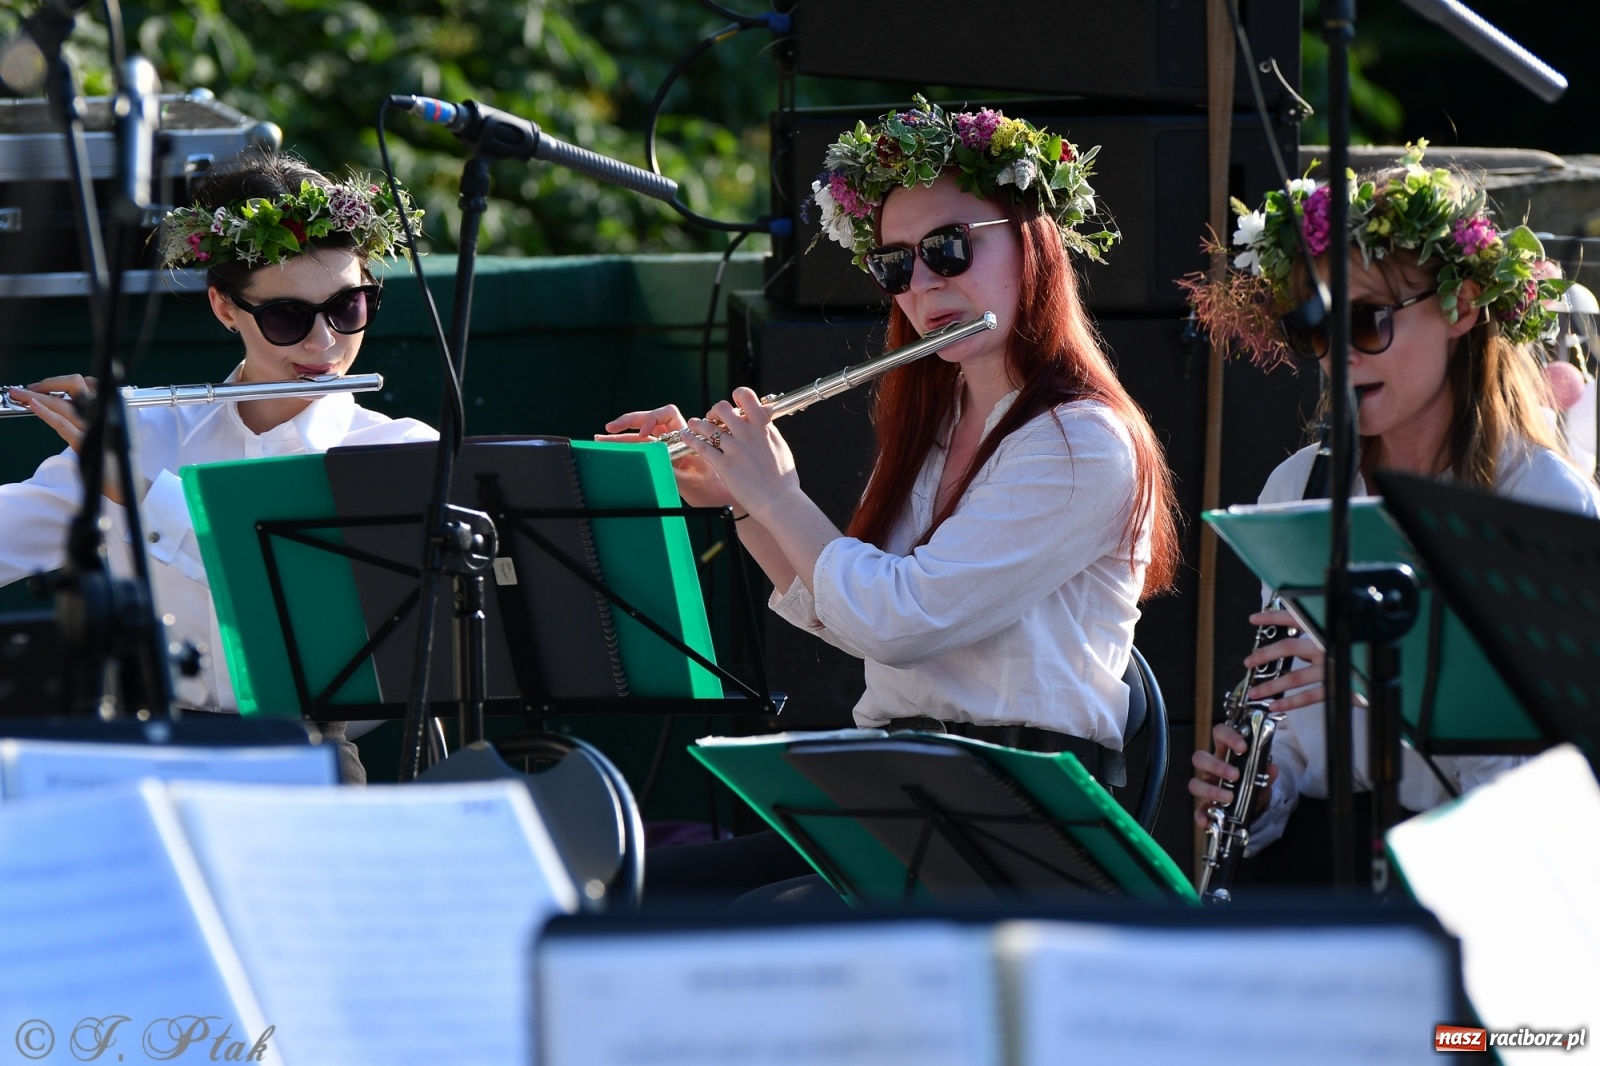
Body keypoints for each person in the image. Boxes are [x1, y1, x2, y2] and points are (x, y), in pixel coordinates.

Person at [602, 97, 1181, 902]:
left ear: (1031, 245)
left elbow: (898, 623)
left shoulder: (1078, 443)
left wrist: (780, 494)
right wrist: (742, 499)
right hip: (901, 795)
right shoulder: (936, 426)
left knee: (744, 932)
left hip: (1015, 820)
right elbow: (845, 613)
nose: (923, 284)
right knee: (629, 897)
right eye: (896, 264)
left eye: (949, 249)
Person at [1185, 141, 1600, 882]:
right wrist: (1263, 788)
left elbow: (1550, 782)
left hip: (1472, 875)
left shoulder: (1542, 503)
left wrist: (1380, 673)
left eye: (1368, 320)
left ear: (1462, 306)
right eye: (1315, 326)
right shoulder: (1297, 486)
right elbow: (1304, 750)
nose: (1337, 354)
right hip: (1317, 870)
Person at [0, 150, 435, 782]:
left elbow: (301, 619)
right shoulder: (144, 433)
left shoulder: (396, 451)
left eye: (348, 308)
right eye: (287, 316)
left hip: (300, 756)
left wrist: (140, 494)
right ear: (225, 308)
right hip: (133, 756)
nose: (323, 344)